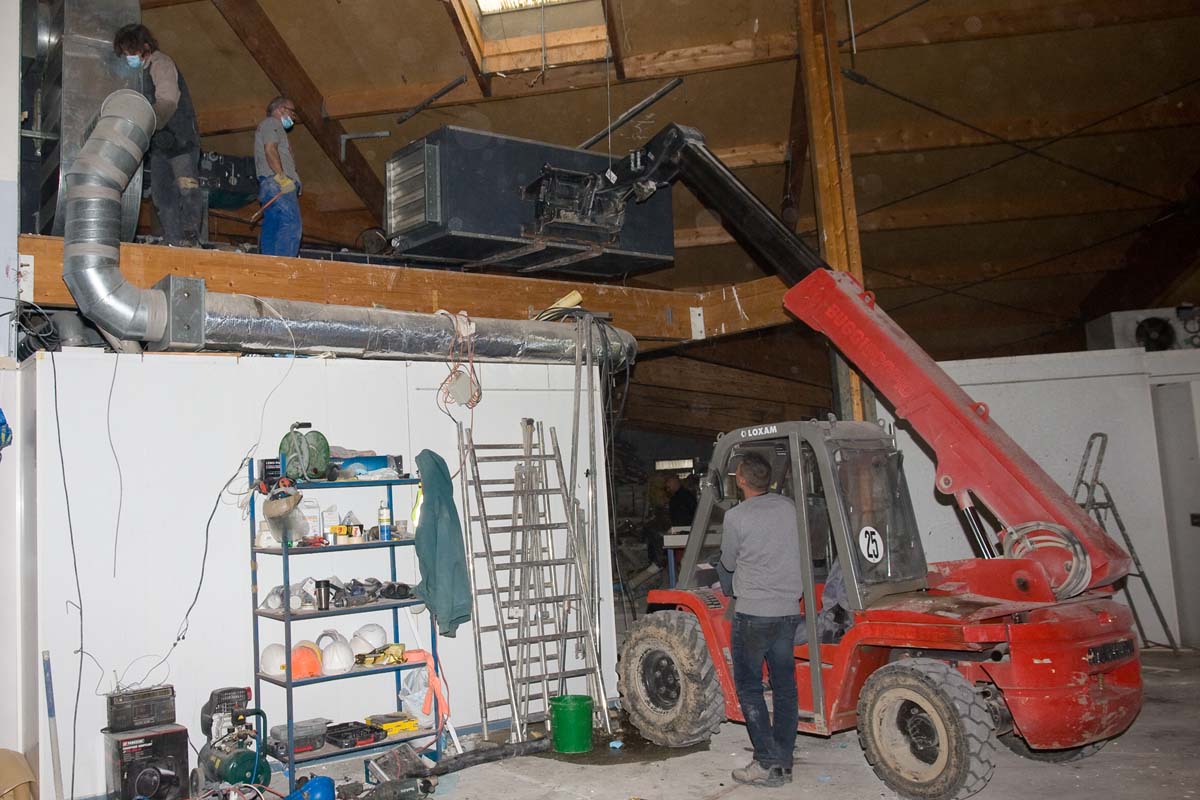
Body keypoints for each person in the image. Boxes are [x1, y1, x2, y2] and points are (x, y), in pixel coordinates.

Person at [719, 452, 804, 787]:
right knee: (785, 688)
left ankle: (765, 762)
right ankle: (783, 759)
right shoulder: (788, 508)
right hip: (786, 611)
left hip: (753, 613)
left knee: (751, 688)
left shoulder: (736, 517)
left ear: (740, 479)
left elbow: (727, 560)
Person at [113, 24, 204, 247]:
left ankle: (190, 238)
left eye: (131, 52)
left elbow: (168, 100)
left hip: (180, 139)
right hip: (160, 145)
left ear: (145, 47)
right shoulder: (139, 74)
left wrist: (150, 125)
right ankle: (173, 240)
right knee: (162, 196)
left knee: (187, 187)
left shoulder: (160, 63)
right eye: (125, 54)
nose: (129, 58)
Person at [254, 96, 303, 257]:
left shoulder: (270, 126)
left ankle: (270, 264)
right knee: (291, 222)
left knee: (273, 225)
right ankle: (285, 266)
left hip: (269, 183)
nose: (293, 118)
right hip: (277, 182)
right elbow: (270, 150)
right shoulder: (272, 123)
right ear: (281, 109)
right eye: (292, 112)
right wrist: (282, 178)